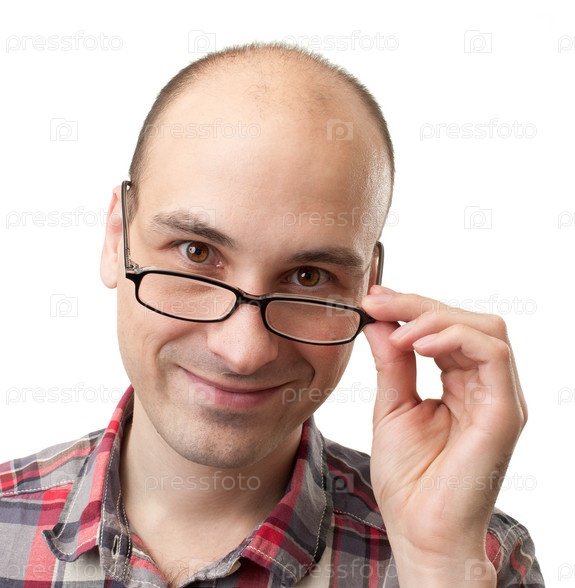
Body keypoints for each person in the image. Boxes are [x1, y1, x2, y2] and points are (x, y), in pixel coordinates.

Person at [0, 42, 544, 587]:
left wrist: (437, 562)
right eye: (196, 253)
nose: (243, 352)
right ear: (117, 238)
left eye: (308, 276)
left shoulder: (477, 558)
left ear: (369, 286)